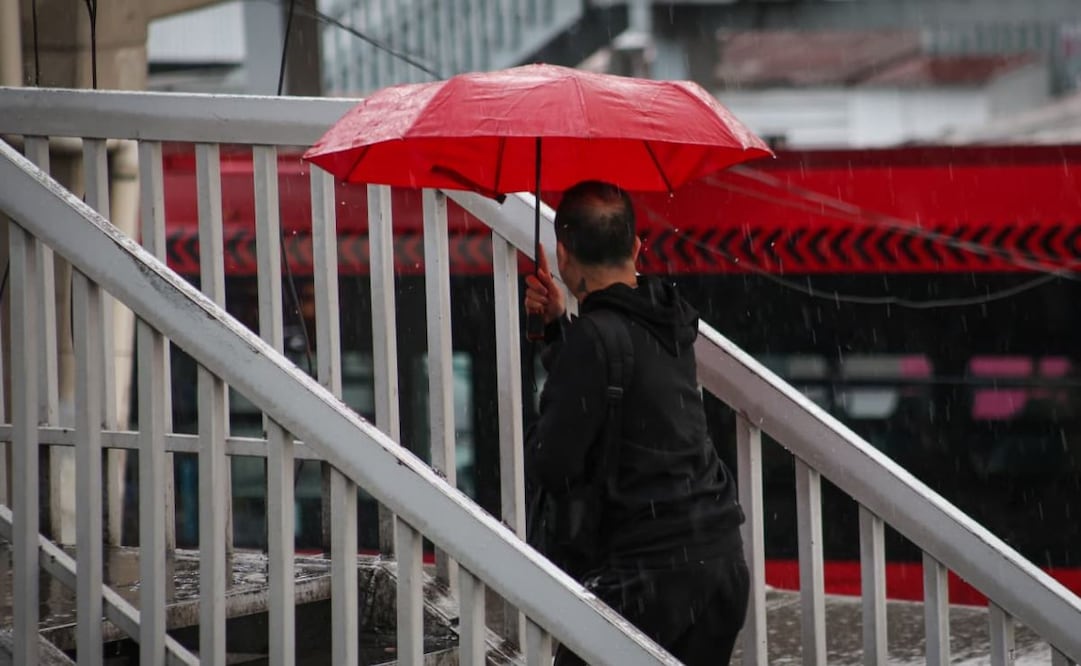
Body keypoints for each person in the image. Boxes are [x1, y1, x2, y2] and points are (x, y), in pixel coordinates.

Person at [524, 180, 749, 666]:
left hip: (649, 576)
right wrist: (561, 329)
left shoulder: (596, 339)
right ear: (636, 246)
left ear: (562, 255)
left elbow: (553, 463)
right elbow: (622, 391)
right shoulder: (669, 319)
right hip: (719, 562)